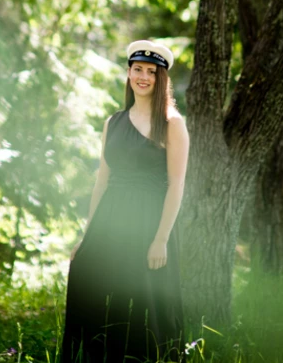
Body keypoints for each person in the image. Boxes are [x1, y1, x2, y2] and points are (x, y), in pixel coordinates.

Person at [62, 39, 189, 363]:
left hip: (148, 223)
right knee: (91, 283)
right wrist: (88, 235)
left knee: (144, 305)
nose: (143, 77)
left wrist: (160, 239)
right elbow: (102, 180)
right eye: (137, 70)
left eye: (151, 71)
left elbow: (176, 185)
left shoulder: (173, 124)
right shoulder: (113, 122)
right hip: (111, 221)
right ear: (129, 73)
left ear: (161, 79)